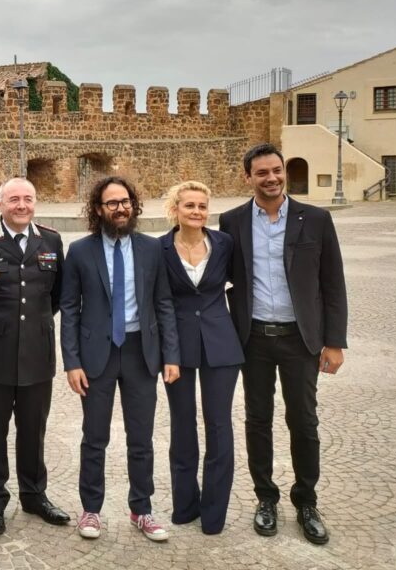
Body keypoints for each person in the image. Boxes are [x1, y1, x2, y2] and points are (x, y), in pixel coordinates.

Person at [218, 143, 348, 545]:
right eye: (262, 173)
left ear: (283, 172)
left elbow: (333, 283)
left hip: (300, 339)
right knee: (257, 420)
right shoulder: (232, 221)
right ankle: (266, 498)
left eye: (276, 171)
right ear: (248, 177)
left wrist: (335, 342)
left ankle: (306, 502)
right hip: (253, 338)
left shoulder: (317, 219)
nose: (271, 178)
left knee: (304, 422)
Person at [60, 176, 180, 543]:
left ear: (134, 204)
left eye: (125, 201)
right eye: (112, 203)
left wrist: (171, 355)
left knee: (141, 438)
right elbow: (69, 309)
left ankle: (141, 509)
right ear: (99, 209)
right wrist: (71, 362)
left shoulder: (151, 248)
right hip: (97, 355)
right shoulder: (80, 251)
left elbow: (163, 303)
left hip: (141, 352)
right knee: (94, 438)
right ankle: (91, 509)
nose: (121, 208)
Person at [0, 177, 70, 536]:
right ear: (0, 203)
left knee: (34, 428)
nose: (21, 205)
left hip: (37, 352)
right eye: (13, 199)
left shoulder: (51, 240)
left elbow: (57, 296)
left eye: (27, 198)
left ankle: (34, 494)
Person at [159, 181, 244, 535]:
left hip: (221, 344)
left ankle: (214, 512)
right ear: (175, 209)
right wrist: (168, 353)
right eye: (189, 205)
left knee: (219, 425)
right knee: (182, 425)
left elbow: (241, 285)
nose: (196, 212)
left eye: (202, 206)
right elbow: (160, 302)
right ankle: (185, 504)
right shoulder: (159, 247)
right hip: (177, 348)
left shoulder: (223, 243)